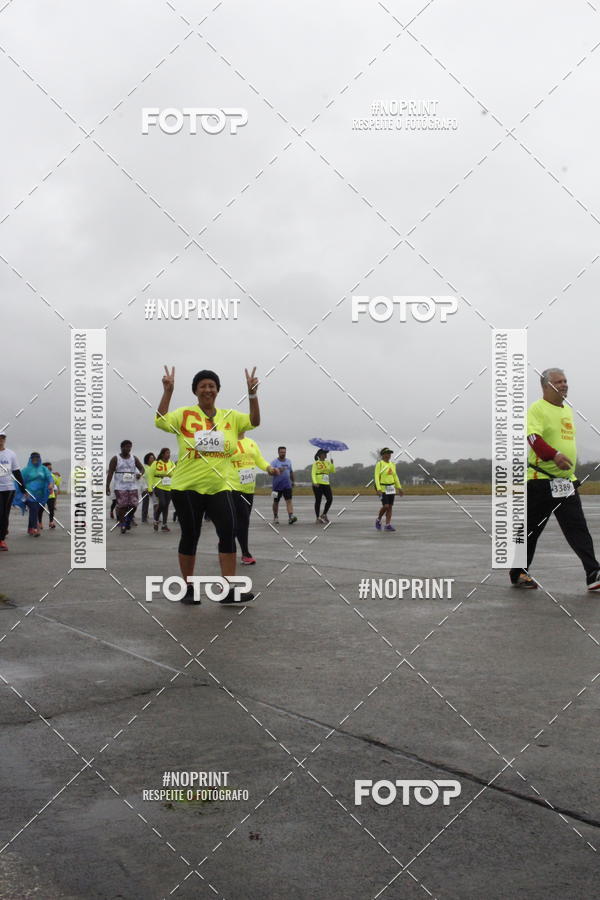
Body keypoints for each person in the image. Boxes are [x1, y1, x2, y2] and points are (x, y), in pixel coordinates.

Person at [155, 365, 259, 605]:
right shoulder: (184, 415)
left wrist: (252, 394)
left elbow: (254, 421)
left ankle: (229, 589)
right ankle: (188, 588)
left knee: (228, 533)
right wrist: (168, 392)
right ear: (195, 391)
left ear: (218, 390)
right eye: (203, 386)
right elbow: (160, 421)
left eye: (212, 385)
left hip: (219, 487)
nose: (207, 389)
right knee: (191, 535)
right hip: (186, 487)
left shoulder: (230, 417)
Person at [509, 368, 600, 591]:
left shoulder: (566, 411)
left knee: (578, 528)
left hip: (564, 483)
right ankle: (519, 572)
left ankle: (593, 574)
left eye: (565, 381)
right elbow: (533, 438)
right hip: (540, 481)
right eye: (558, 381)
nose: (564, 384)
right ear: (545, 386)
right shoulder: (537, 409)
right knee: (530, 530)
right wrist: (554, 455)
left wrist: (572, 476)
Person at [230, 432, 280, 564]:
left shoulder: (251, 442)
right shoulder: (228, 442)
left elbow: (259, 460)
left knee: (240, 521)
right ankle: (245, 554)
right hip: (233, 487)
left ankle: (225, 542)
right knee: (244, 520)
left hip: (249, 489)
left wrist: (269, 468)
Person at [106, 441, 144, 535]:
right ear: (121, 447)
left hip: (132, 485)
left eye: (130, 447)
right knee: (122, 506)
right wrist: (107, 486)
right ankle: (122, 524)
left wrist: (140, 474)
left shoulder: (134, 458)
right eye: (127, 447)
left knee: (134, 505)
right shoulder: (115, 458)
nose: (129, 449)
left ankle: (128, 519)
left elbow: (142, 469)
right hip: (120, 486)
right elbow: (110, 473)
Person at [13, 453, 53, 536]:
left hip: (40, 495)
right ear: (30, 459)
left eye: (37, 458)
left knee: (34, 511)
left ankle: (30, 528)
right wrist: (23, 491)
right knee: (34, 509)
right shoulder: (26, 470)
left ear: (39, 459)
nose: (35, 459)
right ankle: (35, 528)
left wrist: (51, 484)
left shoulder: (43, 469)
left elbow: (49, 477)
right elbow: (19, 480)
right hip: (29, 494)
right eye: (33, 458)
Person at [0, 434, 26, 550]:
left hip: (8, 488)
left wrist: (23, 488)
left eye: (2, 438)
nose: (1, 440)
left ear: (5, 440)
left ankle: (1, 540)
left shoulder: (11, 454)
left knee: (4, 515)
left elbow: (16, 472)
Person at [374, 448, 403, 532]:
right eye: (387, 453)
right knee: (385, 506)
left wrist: (399, 487)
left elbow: (395, 476)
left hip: (391, 488)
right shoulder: (379, 464)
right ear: (383, 455)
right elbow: (376, 477)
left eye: (390, 453)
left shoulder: (392, 464)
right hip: (382, 488)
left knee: (390, 507)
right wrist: (378, 489)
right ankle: (378, 519)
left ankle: (388, 524)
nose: (389, 455)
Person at [147, 447, 174, 532]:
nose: (168, 455)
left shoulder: (171, 463)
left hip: (169, 486)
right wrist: (150, 488)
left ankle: (164, 525)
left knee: (166, 506)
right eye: (167, 453)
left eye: (169, 453)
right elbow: (150, 475)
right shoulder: (156, 463)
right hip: (158, 485)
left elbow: (175, 474)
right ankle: (156, 519)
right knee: (162, 503)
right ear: (162, 454)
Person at [271, 446, 297, 525]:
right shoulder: (274, 462)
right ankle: (275, 517)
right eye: (282, 452)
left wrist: (293, 481)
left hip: (287, 485)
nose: (283, 453)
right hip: (276, 486)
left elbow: (291, 472)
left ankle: (290, 517)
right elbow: (270, 472)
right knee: (276, 502)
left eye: (284, 452)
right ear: (278, 452)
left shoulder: (289, 461)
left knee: (289, 501)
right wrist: (277, 471)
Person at [311, 450, 335, 523]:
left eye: (326, 454)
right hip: (318, 483)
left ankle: (324, 514)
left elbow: (332, 471)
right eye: (324, 453)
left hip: (326, 483)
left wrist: (332, 464)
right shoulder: (316, 463)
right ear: (320, 455)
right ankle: (317, 517)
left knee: (330, 498)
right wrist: (315, 482)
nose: (325, 455)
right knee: (318, 500)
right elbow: (313, 473)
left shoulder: (327, 462)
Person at [38, 462, 61, 529]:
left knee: (51, 509)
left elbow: (57, 483)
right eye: (49, 468)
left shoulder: (52, 475)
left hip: (51, 495)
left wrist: (59, 477)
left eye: (51, 468)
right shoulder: (40, 475)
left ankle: (51, 522)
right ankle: (40, 523)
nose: (50, 469)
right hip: (42, 495)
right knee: (40, 510)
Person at [141, 452, 156, 522]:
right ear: (147, 459)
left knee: (156, 503)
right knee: (145, 503)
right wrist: (145, 487)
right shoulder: (144, 467)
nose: (152, 459)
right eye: (151, 458)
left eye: (153, 458)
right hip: (146, 488)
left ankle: (156, 517)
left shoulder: (155, 467)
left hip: (154, 487)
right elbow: (142, 478)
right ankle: (144, 518)